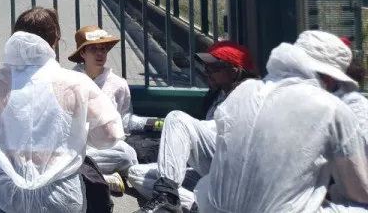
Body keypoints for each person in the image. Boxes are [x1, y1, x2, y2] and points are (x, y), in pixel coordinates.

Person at [0, 7, 125, 212]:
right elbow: (110, 136)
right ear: (55, 41)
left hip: (11, 192)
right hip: (64, 197)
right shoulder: (75, 82)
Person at [194, 30, 368, 212]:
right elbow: (358, 190)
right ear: (329, 78)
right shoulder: (332, 107)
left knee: (206, 184)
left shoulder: (241, 93)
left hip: (217, 209)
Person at [129, 40, 255, 212]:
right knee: (136, 173)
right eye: (206, 67)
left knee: (177, 118)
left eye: (214, 68)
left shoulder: (249, 93)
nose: (207, 72)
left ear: (234, 70)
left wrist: (185, 132)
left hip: (234, 170)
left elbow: (220, 132)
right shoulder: (218, 93)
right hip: (213, 169)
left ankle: (167, 197)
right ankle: (196, 205)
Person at [69, 25, 140, 193]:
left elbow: (124, 119)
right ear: (82, 53)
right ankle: (102, 178)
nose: (100, 54)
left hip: (104, 148)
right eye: (93, 49)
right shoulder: (69, 81)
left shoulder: (119, 85)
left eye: (103, 49)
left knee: (126, 154)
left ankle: (86, 175)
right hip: (75, 146)